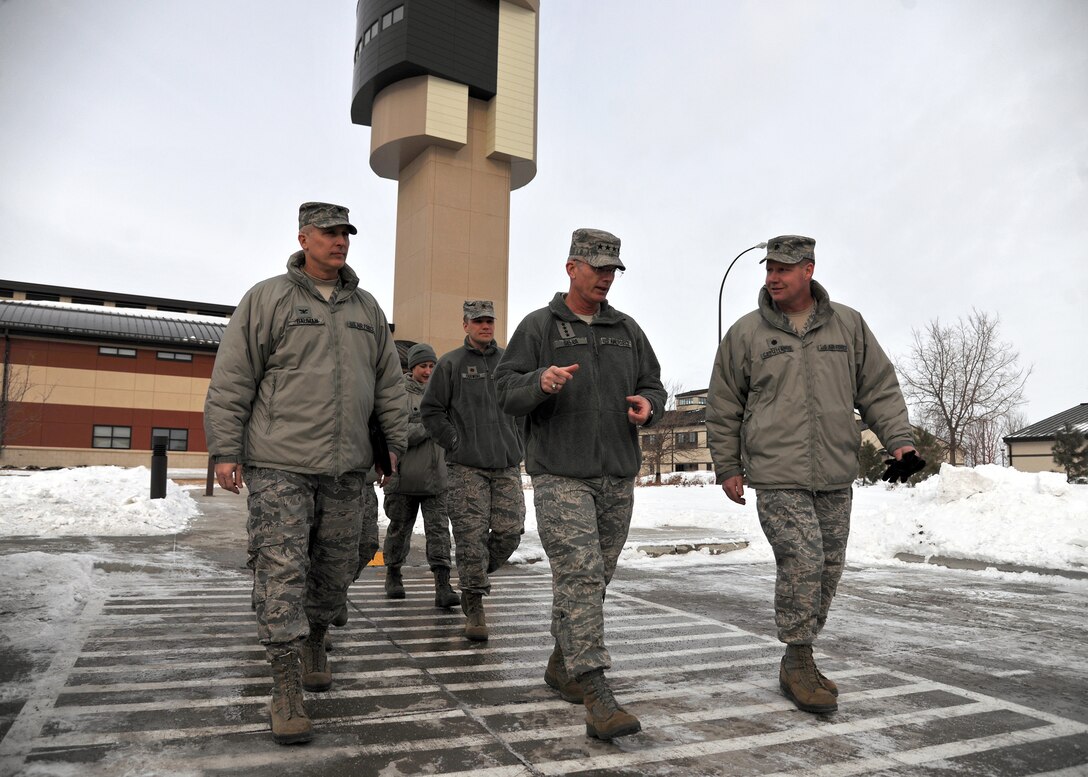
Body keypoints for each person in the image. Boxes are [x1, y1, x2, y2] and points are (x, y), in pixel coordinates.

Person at [204, 201, 408, 745]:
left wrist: (393, 448)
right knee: (281, 569)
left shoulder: (366, 307)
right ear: (303, 237)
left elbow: (389, 384)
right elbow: (233, 377)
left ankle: (317, 634)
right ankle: (285, 684)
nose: (339, 241)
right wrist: (226, 449)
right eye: (328, 233)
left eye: (345, 233)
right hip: (279, 464)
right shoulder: (268, 298)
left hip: (348, 467)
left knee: (338, 562)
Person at [705, 234, 919, 715]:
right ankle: (799, 659)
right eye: (769, 269)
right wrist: (727, 466)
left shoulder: (848, 325)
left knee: (827, 568)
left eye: (784, 268)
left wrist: (899, 440)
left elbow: (879, 388)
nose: (774, 277)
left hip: (835, 471)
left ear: (809, 269)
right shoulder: (746, 333)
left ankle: (798, 653)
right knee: (801, 561)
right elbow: (723, 407)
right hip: (777, 473)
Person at [495, 228, 665, 741]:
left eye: (613, 269)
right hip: (561, 474)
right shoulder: (539, 327)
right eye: (597, 268)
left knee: (595, 579)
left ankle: (560, 663)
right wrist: (538, 383)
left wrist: (649, 405)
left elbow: (652, 380)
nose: (606, 278)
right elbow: (505, 389)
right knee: (582, 575)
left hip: (616, 474)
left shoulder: (626, 329)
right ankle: (597, 694)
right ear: (572, 267)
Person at [420, 300, 525, 642]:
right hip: (466, 467)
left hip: (506, 464)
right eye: (478, 321)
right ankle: (475, 604)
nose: (485, 326)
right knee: (470, 537)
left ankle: (473, 574)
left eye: (489, 320)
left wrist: (518, 442)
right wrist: (454, 441)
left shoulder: (509, 361)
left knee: (510, 532)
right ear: (465, 324)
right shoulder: (450, 364)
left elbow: (524, 405)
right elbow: (431, 411)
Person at [381, 342, 460, 608]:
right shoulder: (397, 395)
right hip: (403, 479)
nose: (428, 371)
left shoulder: (443, 395)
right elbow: (397, 433)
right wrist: (431, 424)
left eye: (431, 365)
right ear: (412, 367)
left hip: (437, 479)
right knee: (398, 531)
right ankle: (393, 574)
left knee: (439, 532)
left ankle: (443, 585)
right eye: (423, 366)